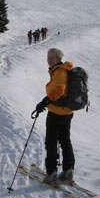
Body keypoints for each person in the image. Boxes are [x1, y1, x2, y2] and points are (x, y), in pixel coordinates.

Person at [35, 48, 75, 183]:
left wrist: (45, 101)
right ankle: (68, 171)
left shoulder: (60, 72)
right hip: (66, 112)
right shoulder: (62, 70)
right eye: (48, 57)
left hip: (57, 113)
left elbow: (59, 90)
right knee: (65, 140)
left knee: (51, 142)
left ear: (58, 58)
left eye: (51, 57)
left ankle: (51, 173)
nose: (49, 59)